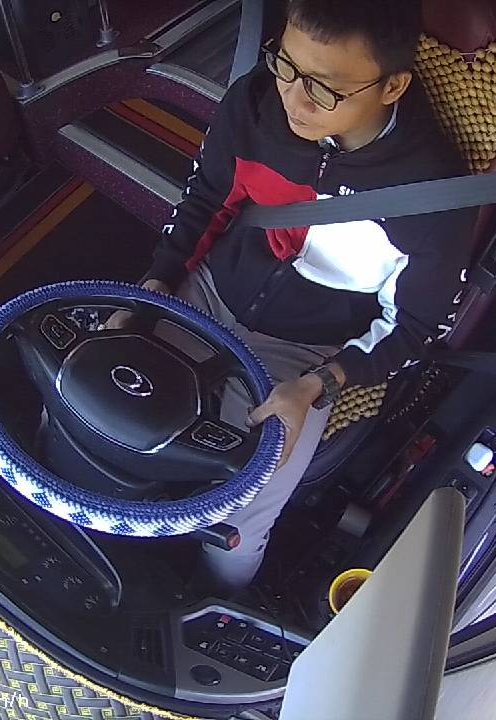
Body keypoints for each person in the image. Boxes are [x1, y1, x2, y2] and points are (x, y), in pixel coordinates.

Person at [131, 0, 475, 594]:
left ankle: (215, 603)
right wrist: (154, 289)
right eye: (287, 66)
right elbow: (205, 200)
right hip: (207, 293)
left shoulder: (434, 196)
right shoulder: (255, 101)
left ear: (393, 86)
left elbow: (416, 326)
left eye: (324, 87)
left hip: (302, 355)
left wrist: (318, 385)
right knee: (106, 402)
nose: (294, 99)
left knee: (239, 516)